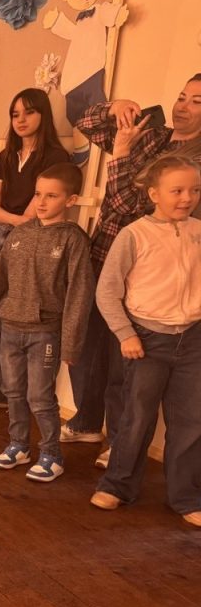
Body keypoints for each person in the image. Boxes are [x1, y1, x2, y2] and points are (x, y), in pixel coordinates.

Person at [65, 74, 201, 469]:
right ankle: (87, 422)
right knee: (87, 347)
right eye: (182, 96)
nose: (182, 106)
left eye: (196, 102)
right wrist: (114, 107)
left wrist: (121, 154)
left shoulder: (191, 162)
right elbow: (84, 122)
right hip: (103, 252)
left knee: (123, 362)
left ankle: (121, 442)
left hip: (145, 270)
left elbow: (129, 203)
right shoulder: (154, 135)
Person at [89, 155, 201, 527]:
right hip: (146, 341)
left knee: (191, 421)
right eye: (177, 191)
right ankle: (117, 486)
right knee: (136, 418)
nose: (187, 198)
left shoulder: (199, 232)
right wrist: (126, 334)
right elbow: (107, 291)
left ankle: (186, 497)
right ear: (154, 193)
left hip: (193, 341)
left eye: (194, 190)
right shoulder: (134, 235)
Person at [0, 163, 93, 483]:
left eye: (52, 196)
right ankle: (18, 445)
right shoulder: (19, 233)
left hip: (45, 333)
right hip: (11, 328)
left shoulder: (73, 240)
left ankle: (51, 454)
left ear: (70, 200)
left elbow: (79, 294)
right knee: (13, 391)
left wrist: (71, 343)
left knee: (40, 397)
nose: (41, 202)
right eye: (38, 194)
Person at [0, 88, 70, 410]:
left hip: (31, 242)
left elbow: (35, 212)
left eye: (28, 112)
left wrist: (14, 222)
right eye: (15, 114)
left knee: (19, 319)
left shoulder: (54, 157)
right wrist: (12, 221)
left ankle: (21, 396)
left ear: (43, 114)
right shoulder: (5, 156)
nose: (21, 120)